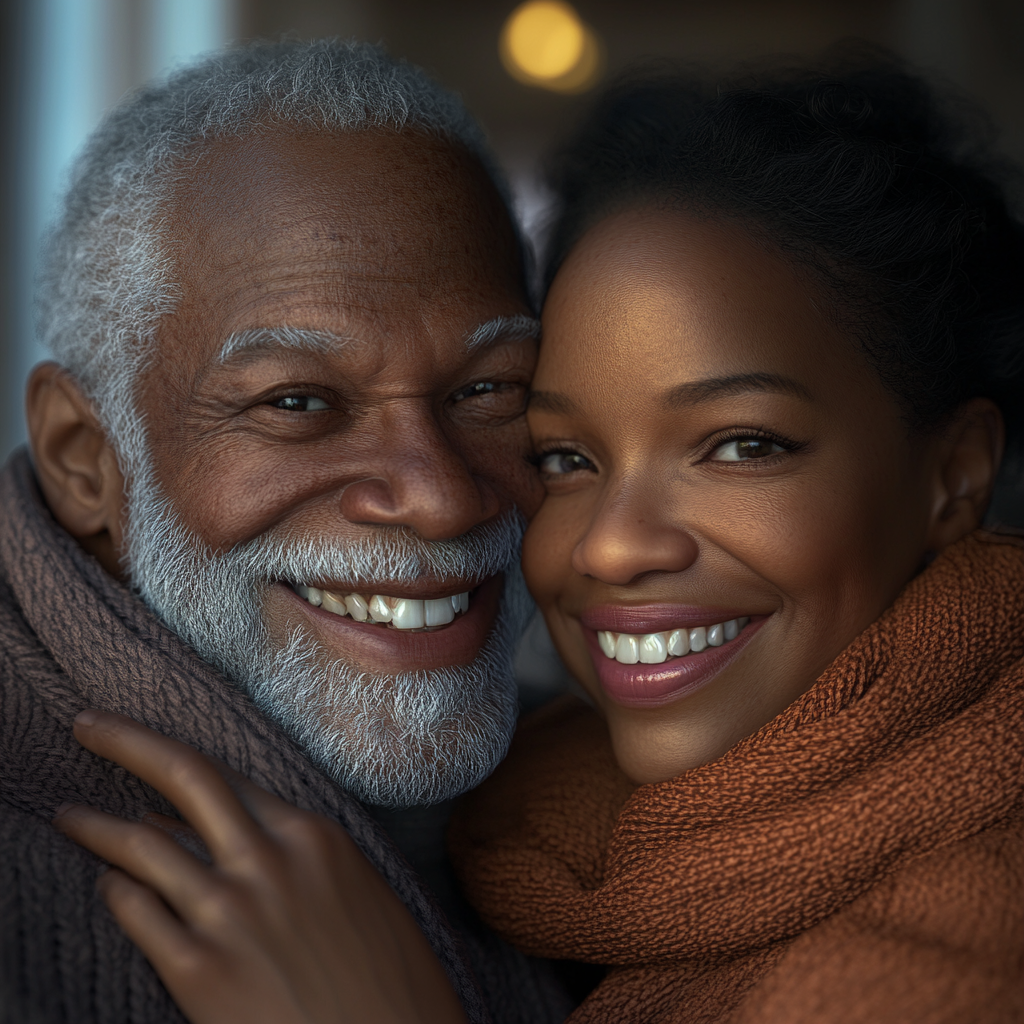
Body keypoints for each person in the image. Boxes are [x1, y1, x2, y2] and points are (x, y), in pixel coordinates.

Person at [54, 47, 1024, 1023]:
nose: (608, 547)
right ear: (81, 457)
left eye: (739, 445)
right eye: (565, 455)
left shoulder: (956, 951)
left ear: (954, 474)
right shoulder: (542, 826)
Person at [0, 38, 572, 1024]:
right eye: (298, 401)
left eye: (488, 390)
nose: (438, 497)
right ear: (85, 458)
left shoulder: (600, 819)